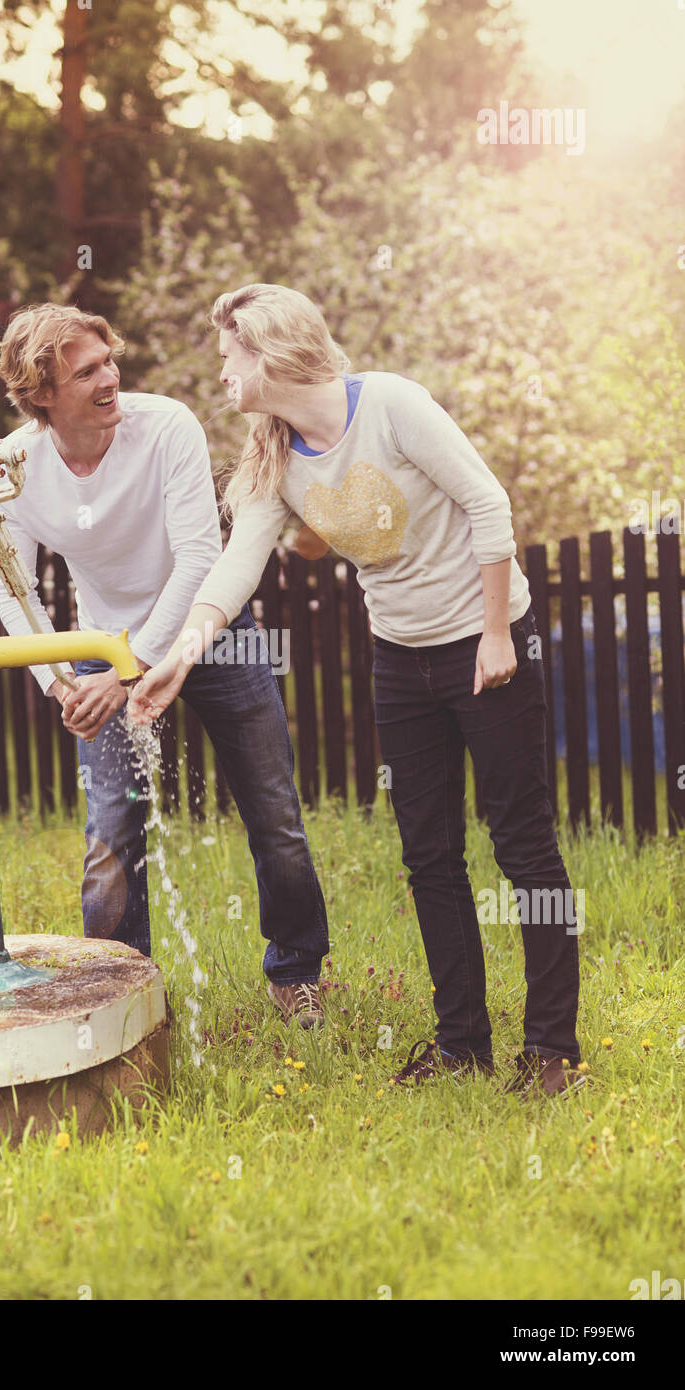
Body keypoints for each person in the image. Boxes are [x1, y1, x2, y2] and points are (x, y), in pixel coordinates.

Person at [129, 283, 583, 1095]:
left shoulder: (392, 405)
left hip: (486, 643)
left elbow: (488, 502)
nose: (221, 373)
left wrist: (493, 632)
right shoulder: (273, 454)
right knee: (428, 854)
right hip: (400, 657)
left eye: (230, 356)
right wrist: (181, 653)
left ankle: (553, 1051)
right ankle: (461, 1045)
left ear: (268, 353)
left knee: (523, 844)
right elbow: (237, 566)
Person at [0, 302, 329, 1027]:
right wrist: (59, 684)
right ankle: (120, 997)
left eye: (110, 359)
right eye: (88, 371)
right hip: (101, 649)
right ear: (41, 392)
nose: (111, 376)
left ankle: (296, 973)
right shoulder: (14, 468)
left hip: (210, 629)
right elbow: (8, 585)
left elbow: (201, 557)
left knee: (275, 818)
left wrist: (136, 666)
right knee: (110, 836)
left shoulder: (167, 425)